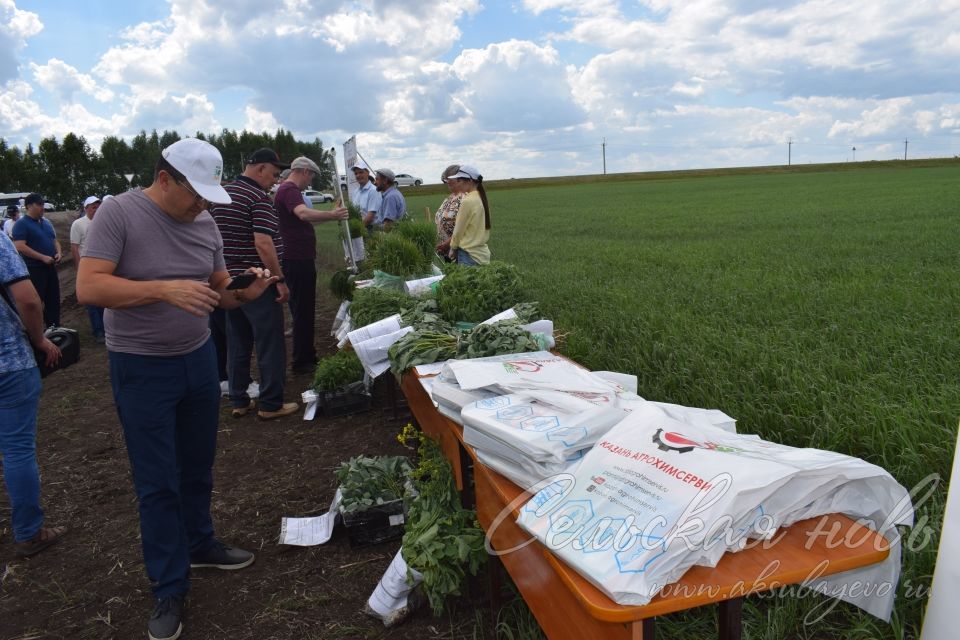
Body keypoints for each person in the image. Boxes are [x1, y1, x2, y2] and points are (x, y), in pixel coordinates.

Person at [76, 137, 279, 640]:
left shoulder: (204, 221)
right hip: (141, 368)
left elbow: (216, 289)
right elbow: (90, 288)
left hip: (196, 361)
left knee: (197, 464)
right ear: (165, 177)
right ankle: (169, 584)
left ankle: (200, 543)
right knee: (157, 479)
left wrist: (244, 291)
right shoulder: (119, 214)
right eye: (197, 193)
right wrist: (160, 288)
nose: (204, 205)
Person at [210, 148, 299, 420]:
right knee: (269, 341)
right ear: (260, 168)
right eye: (273, 174)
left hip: (228, 280)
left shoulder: (222, 194)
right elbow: (263, 242)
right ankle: (271, 403)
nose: (274, 181)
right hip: (257, 280)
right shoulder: (257, 198)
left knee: (237, 341)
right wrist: (279, 279)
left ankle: (239, 399)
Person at [0, 232, 63, 559]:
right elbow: (26, 298)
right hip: (7, 362)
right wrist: (39, 339)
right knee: (16, 448)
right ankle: (29, 532)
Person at [275, 156, 348, 375]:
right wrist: (332, 214)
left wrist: (330, 215)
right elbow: (303, 213)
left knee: (303, 308)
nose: (311, 182)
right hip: (296, 259)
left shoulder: (287, 190)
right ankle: (302, 360)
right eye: (312, 176)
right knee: (303, 310)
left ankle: (306, 354)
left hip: (298, 258)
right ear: (305, 171)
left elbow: (306, 219)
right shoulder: (290, 190)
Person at [11, 193, 61, 327]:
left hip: (50, 267)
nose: (42, 207)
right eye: (39, 204)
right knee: (36, 302)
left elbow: (55, 241)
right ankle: (37, 331)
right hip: (34, 269)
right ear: (29, 206)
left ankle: (55, 328)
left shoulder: (46, 222)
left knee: (53, 300)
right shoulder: (22, 224)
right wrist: (42, 257)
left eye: (43, 204)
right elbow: (19, 245)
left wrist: (59, 253)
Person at [70, 196, 105, 343]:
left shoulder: (103, 222)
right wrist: (79, 269)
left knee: (104, 299)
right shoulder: (78, 224)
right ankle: (98, 331)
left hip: (103, 266)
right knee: (91, 301)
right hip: (87, 266)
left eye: (98, 206)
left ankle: (106, 328)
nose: (96, 209)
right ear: (86, 209)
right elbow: (74, 247)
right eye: (93, 207)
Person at [447, 165, 491, 265]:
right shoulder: (481, 197)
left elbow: (459, 229)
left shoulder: (467, 201)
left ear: (470, 181)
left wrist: (452, 248)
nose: (457, 184)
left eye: (459, 180)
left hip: (468, 255)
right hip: (482, 254)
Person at [434, 164, 465, 261]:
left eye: (449, 178)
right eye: (446, 179)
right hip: (447, 250)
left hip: (459, 251)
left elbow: (464, 228)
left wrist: (447, 244)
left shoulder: (464, 198)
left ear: (460, 179)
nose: (447, 181)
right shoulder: (451, 197)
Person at [352, 162, 381, 233]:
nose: (358, 175)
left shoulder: (374, 191)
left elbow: (370, 217)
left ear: (368, 173)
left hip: (371, 230)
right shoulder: (355, 192)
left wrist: (357, 229)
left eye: (361, 172)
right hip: (360, 227)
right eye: (356, 173)